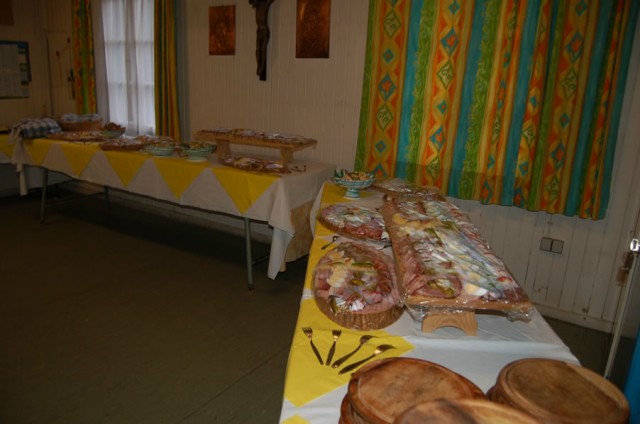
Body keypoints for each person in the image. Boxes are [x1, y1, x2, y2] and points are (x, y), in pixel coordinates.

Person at [250, 0, 275, 80]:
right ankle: (259, 66)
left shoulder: (264, 6)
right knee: (258, 49)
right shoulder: (257, 8)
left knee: (263, 49)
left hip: (264, 30)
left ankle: (262, 66)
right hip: (259, 31)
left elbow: (270, 1)